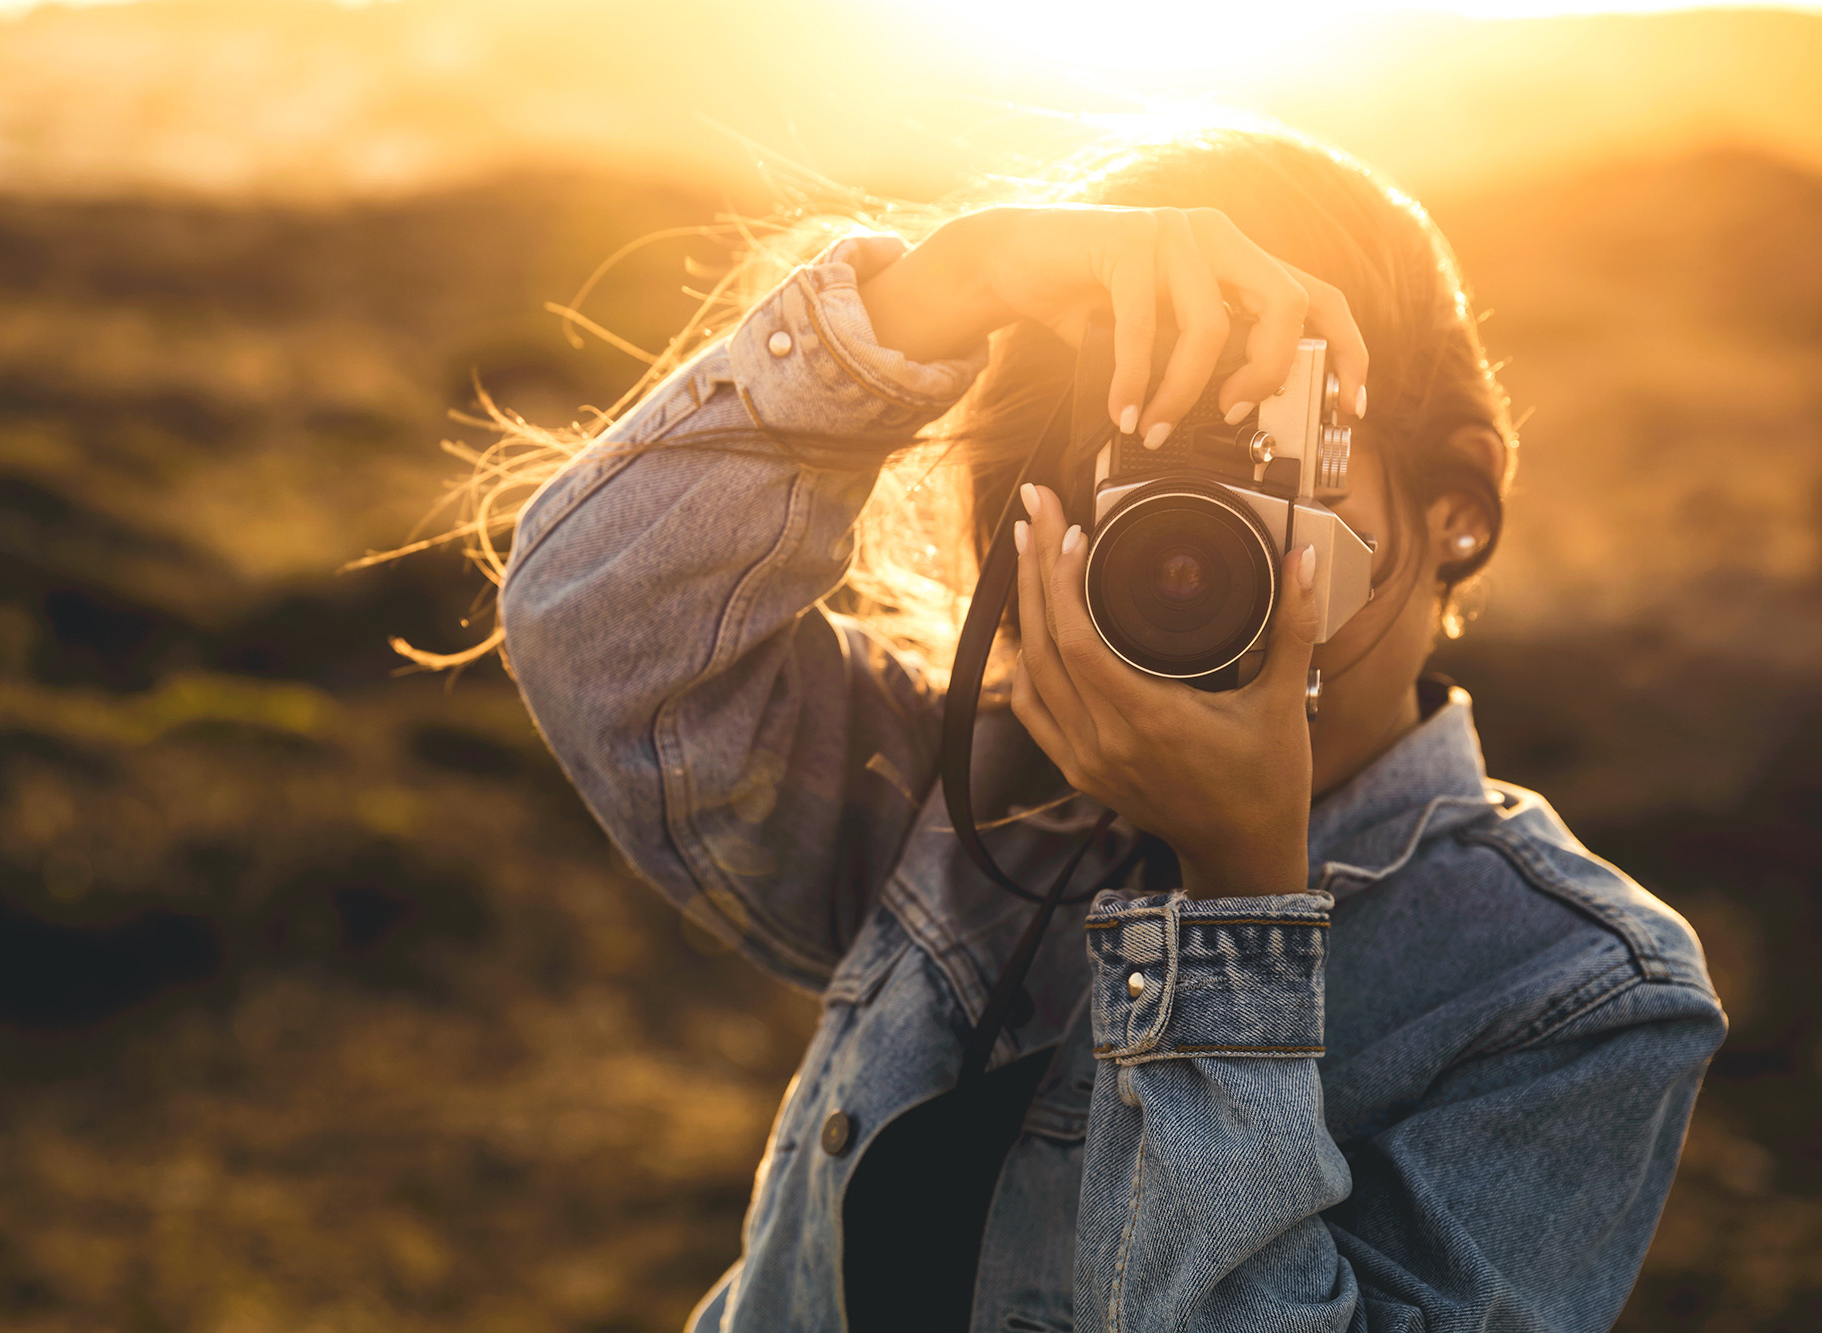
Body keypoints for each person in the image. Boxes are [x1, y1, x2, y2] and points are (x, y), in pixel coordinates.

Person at [484, 124, 1725, 1331]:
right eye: (1135, 483)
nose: (1191, 542)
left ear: (1453, 505)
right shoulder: (965, 788)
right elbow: (599, 625)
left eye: (1264, 469)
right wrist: (945, 286)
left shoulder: (1571, 993)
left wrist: (1238, 904)